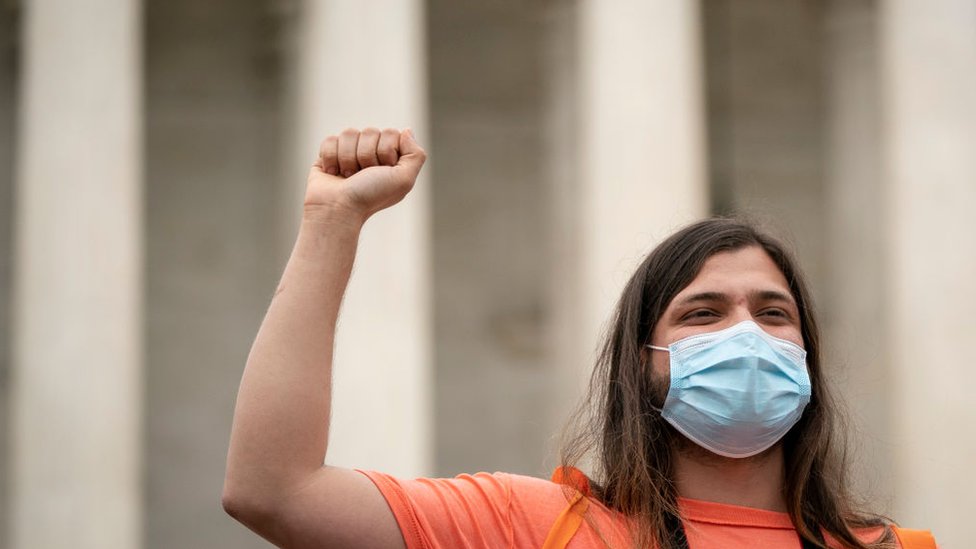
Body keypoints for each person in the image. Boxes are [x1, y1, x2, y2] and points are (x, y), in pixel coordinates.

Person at [222, 128, 936, 549]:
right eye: (703, 312)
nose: (746, 333)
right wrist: (330, 223)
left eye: (774, 312)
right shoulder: (534, 526)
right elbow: (274, 491)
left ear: (807, 355)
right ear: (642, 363)